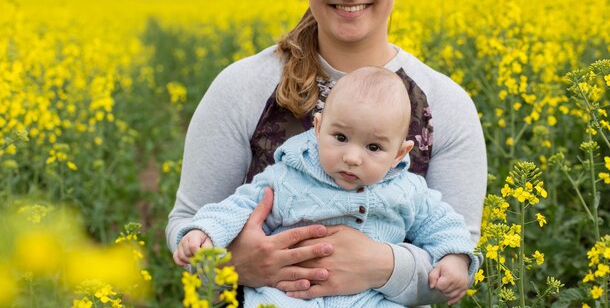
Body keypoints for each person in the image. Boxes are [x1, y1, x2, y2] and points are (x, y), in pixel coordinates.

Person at [166, 0, 487, 306]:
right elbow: (188, 227)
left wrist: (382, 265)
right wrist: (238, 263)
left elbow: (455, 271)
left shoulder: (447, 105)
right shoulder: (243, 87)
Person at [174, 67, 480, 308]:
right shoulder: (286, 177)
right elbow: (239, 207)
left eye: (373, 147)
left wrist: (455, 258)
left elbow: (444, 224)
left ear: (400, 153)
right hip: (288, 296)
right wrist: (205, 233)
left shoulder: (408, 190)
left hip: (369, 299)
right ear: (319, 129)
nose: (352, 157)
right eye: (341, 138)